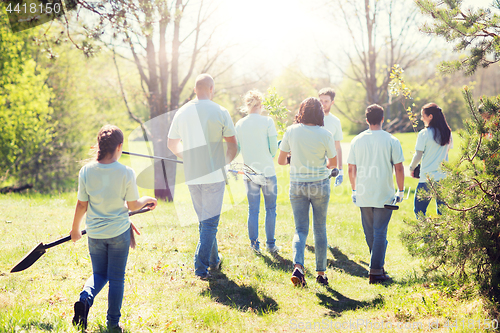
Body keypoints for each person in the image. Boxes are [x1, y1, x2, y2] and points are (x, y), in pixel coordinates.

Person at [71, 125, 157, 332]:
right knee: (116, 277)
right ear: (120, 146)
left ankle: (85, 298)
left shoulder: (86, 171)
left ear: (99, 146)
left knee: (99, 273)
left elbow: (82, 204)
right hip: (118, 234)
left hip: (95, 234)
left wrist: (75, 229)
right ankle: (112, 323)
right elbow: (133, 205)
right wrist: (148, 199)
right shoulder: (126, 171)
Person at [167, 73, 237, 280]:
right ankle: (200, 267)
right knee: (209, 223)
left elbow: (172, 144)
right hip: (214, 174)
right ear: (211, 89)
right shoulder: (220, 111)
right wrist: (226, 163)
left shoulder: (182, 112)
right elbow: (233, 144)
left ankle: (214, 261)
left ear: (195, 89)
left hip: (192, 173)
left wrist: (186, 156)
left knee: (205, 221)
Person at [278, 97, 337, 287]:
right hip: (320, 184)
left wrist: (294, 159)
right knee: (320, 228)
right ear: (320, 113)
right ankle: (320, 273)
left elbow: (280, 160)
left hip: (297, 185)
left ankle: (298, 267)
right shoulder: (325, 134)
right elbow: (333, 163)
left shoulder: (291, 131)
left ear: (302, 112)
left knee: (300, 229)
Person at [347, 104, 405, 284]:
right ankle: (376, 271)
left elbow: (351, 168)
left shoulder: (357, 140)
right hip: (384, 192)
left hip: (364, 192)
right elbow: (399, 168)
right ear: (383, 119)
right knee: (380, 233)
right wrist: (401, 190)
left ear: (366, 120)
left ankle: (377, 267)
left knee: (370, 233)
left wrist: (354, 189)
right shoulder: (391, 140)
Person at [235, 90, 280, 254]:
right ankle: (270, 244)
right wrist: (270, 156)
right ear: (260, 105)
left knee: (253, 210)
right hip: (267, 171)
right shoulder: (267, 121)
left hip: (249, 173)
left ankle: (254, 245)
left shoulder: (239, 124)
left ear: (247, 106)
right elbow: (274, 147)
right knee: (270, 209)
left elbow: (237, 149)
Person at [409, 103, 452, 217]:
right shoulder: (447, 133)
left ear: (430, 116)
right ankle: (443, 234)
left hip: (427, 179)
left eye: (423, 115)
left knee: (419, 211)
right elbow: (446, 152)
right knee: (443, 213)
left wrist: (411, 168)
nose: (421, 118)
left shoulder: (424, 134)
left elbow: (418, 155)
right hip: (443, 178)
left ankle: (427, 235)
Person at [318, 88, 344, 186]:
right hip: (309, 166)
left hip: (326, 169)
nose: (323, 104)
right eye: (321, 101)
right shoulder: (310, 118)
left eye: (326, 101)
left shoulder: (335, 121)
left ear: (332, 102)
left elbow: (337, 147)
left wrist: (340, 170)